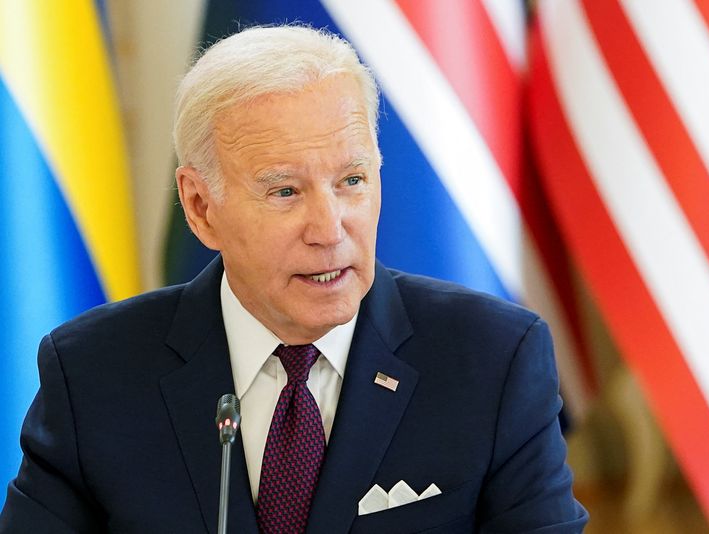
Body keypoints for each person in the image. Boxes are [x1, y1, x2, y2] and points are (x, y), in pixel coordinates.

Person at [0, 25, 587, 533]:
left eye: (352, 181)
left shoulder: (492, 360)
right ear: (201, 207)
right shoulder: (93, 374)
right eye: (285, 191)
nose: (330, 229)